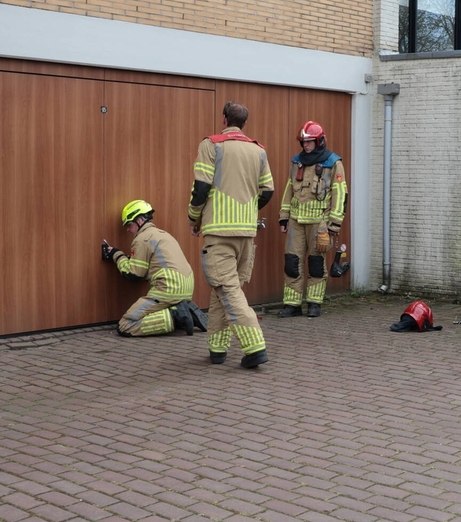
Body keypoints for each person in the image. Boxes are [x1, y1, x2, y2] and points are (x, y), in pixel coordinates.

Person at [188, 101, 274, 368]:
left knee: (228, 290)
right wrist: (248, 212)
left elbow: (201, 187)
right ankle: (217, 349)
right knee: (221, 291)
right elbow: (267, 191)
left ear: (224, 119)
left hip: (219, 232)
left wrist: (194, 217)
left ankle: (255, 347)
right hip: (246, 234)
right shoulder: (258, 150)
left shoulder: (211, 145)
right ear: (243, 123)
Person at [102, 200, 207, 337]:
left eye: (129, 224)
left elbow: (134, 274)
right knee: (157, 310)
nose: (128, 229)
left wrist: (116, 254)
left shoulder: (142, 239)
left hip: (168, 289)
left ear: (139, 220)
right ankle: (183, 310)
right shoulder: (163, 234)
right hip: (186, 288)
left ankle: (176, 316)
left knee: (126, 325)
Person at [277, 121, 348, 318]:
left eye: (309, 142)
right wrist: (284, 217)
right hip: (296, 222)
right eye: (303, 142)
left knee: (316, 263)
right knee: (292, 262)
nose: (305, 146)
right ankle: (292, 304)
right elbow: (289, 189)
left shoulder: (333, 163)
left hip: (320, 223)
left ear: (320, 141)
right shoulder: (296, 162)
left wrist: (334, 224)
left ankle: (314, 303)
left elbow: (340, 194)